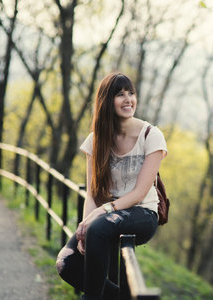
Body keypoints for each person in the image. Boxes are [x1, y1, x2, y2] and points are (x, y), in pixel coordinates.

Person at [55, 72, 168, 300]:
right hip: (107, 217)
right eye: (120, 94)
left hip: (143, 213)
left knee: (100, 227)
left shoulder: (151, 136)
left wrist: (103, 211)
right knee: (66, 263)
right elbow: (93, 193)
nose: (128, 99)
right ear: (107, 100)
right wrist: (86, 225)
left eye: (131, 93)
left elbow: (138, 194)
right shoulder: (96, 140)